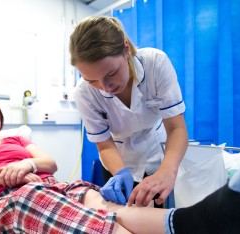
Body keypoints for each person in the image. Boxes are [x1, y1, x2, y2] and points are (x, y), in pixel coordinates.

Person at [0, 98, 240, 234]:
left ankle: (186, 223)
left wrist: (27, 163)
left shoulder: (15, 142)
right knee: (29, 200)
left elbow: (49, 163)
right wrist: (6, 175)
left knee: (93, 195)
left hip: (43, 186)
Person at [69, 15, 188, 207]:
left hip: (159, 153)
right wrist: (120, 172)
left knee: (161, 215)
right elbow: (104, 143)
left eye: (111, 73)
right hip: (118, 159)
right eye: (93, 81)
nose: (105, 87)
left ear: (125, 49)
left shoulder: (155, 64)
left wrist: (168, 170)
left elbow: (176, 128)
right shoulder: (83, 92)